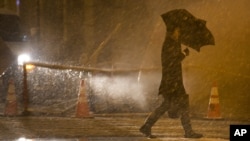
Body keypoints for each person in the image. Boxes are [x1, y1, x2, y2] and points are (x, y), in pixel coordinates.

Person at [139, 26, 203, 138]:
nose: (179, 33)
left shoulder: (173, 44)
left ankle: (147, 126)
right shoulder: (169, 44)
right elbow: (172, 61)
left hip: (173, 81)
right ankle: (188, 131)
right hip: (172, 81)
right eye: (177, 31)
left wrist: (183, 54)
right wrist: (183, 54)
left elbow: (174, 60)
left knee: (168, 105)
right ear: (172, 32)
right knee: (176, 106)